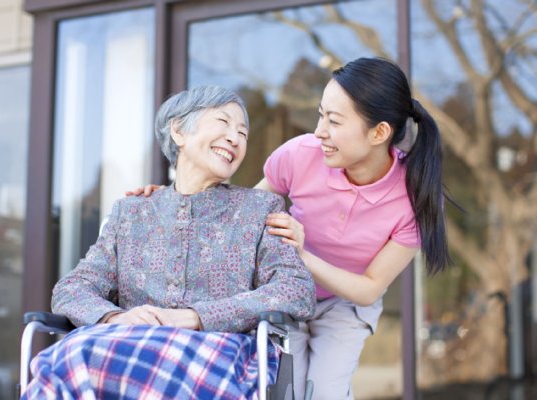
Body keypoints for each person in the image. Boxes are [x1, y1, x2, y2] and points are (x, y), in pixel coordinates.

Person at [130, 57, 453, 399]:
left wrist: (301, 253)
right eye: (320, 114)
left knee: (325, 392)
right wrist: (173, 199)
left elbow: (369, 288)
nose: (319, 131)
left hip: (347, 304)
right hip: (284, 292)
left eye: (334, 121)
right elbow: (237, 218)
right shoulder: (301, 154)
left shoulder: (415, 197)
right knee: (285, 389)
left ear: (379, 133)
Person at [23, 85, 316, 400]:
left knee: (154, 362)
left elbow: (296, 290)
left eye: (243, 133)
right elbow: (71, 289)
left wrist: (197, 318)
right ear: (178, 131)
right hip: (124, 349)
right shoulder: (131, 212)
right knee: (68, 355)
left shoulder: (259, 209)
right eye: (223, 122)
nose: (235, 138)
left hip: (218, 354)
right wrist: (115, 318)